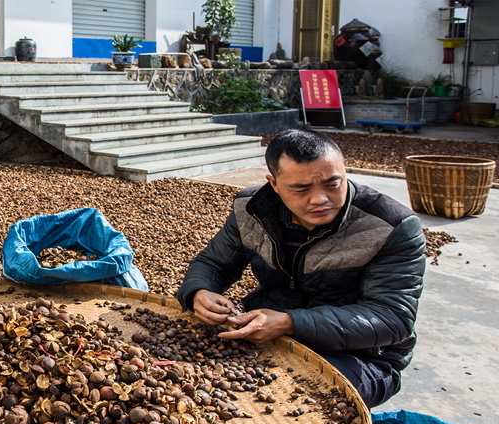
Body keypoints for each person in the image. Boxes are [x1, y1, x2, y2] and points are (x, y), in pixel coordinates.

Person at [176, 129, 425, 408]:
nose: (319, 199)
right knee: (204, 388)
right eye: (301, 189)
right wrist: (198, 291)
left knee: (284, 403)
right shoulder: (251, 209)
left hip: (362, 356)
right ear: (274, 184)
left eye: (333, 184)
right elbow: (214, 263)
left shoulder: (391, 225)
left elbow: (392, 318)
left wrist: (290, 322)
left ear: (345, 172)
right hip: (270, 335)